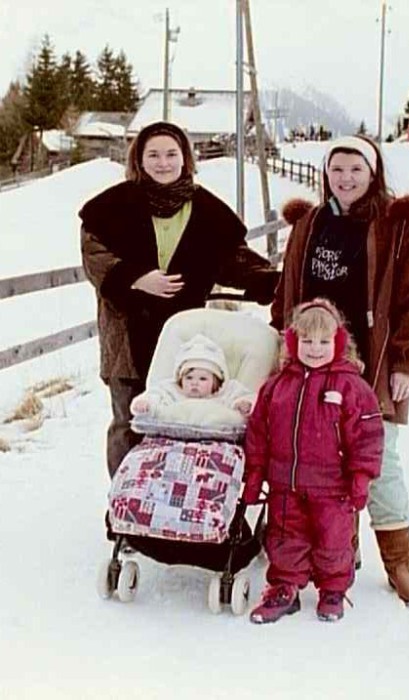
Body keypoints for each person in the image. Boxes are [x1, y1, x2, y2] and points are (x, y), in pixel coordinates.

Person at [271, 135, 409, 606]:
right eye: (337, 169)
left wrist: (408, 362)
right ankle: (343, 547)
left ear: (373, 174)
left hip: (376, 362)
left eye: (356, 170)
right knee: (323, 458)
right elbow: (287, 290)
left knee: (379, 461)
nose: (345, 179)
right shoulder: (309, 223)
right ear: (326, 174)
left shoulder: (400, 227)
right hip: (315, 357)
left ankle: (399, 561)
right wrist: (282, 340)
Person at [80, 121, 278, 478]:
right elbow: (94, 254)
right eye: (153, 155)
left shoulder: (207, 210)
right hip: (126, 333)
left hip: (185, 339)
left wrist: (274, 282)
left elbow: (233, 259)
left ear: (185, 158)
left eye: (171, 154)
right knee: (129, 418)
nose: (163, 163)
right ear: (139, 160)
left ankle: (173, 496)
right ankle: (124, 499)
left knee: (182, 418)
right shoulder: (111, 206)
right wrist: (136, 278)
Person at [242, 299, 384, 624]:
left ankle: (333, 589)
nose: (314, 349)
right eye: (306, 341)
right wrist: (255, 474)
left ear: (338, 342)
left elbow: (367, 436)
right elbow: (258, 432)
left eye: (323, 341)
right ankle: (284, 588)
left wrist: (360, 477)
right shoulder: (277, 386)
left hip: (332, 488)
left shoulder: (351, 387)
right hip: (284, 484)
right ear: (294, 342)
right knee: (284, 537)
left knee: (333, 540)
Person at [130, 333, 255, 418]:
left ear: (215, 381)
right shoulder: (172, 391)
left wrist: (244, 405)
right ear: (180, 379)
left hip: (216, 441)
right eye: (189, 378)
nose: (194, 383)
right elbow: (154, 395)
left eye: (203, 379)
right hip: (171, 437)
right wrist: (145, 404)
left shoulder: (226, 393)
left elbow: (248, 397)